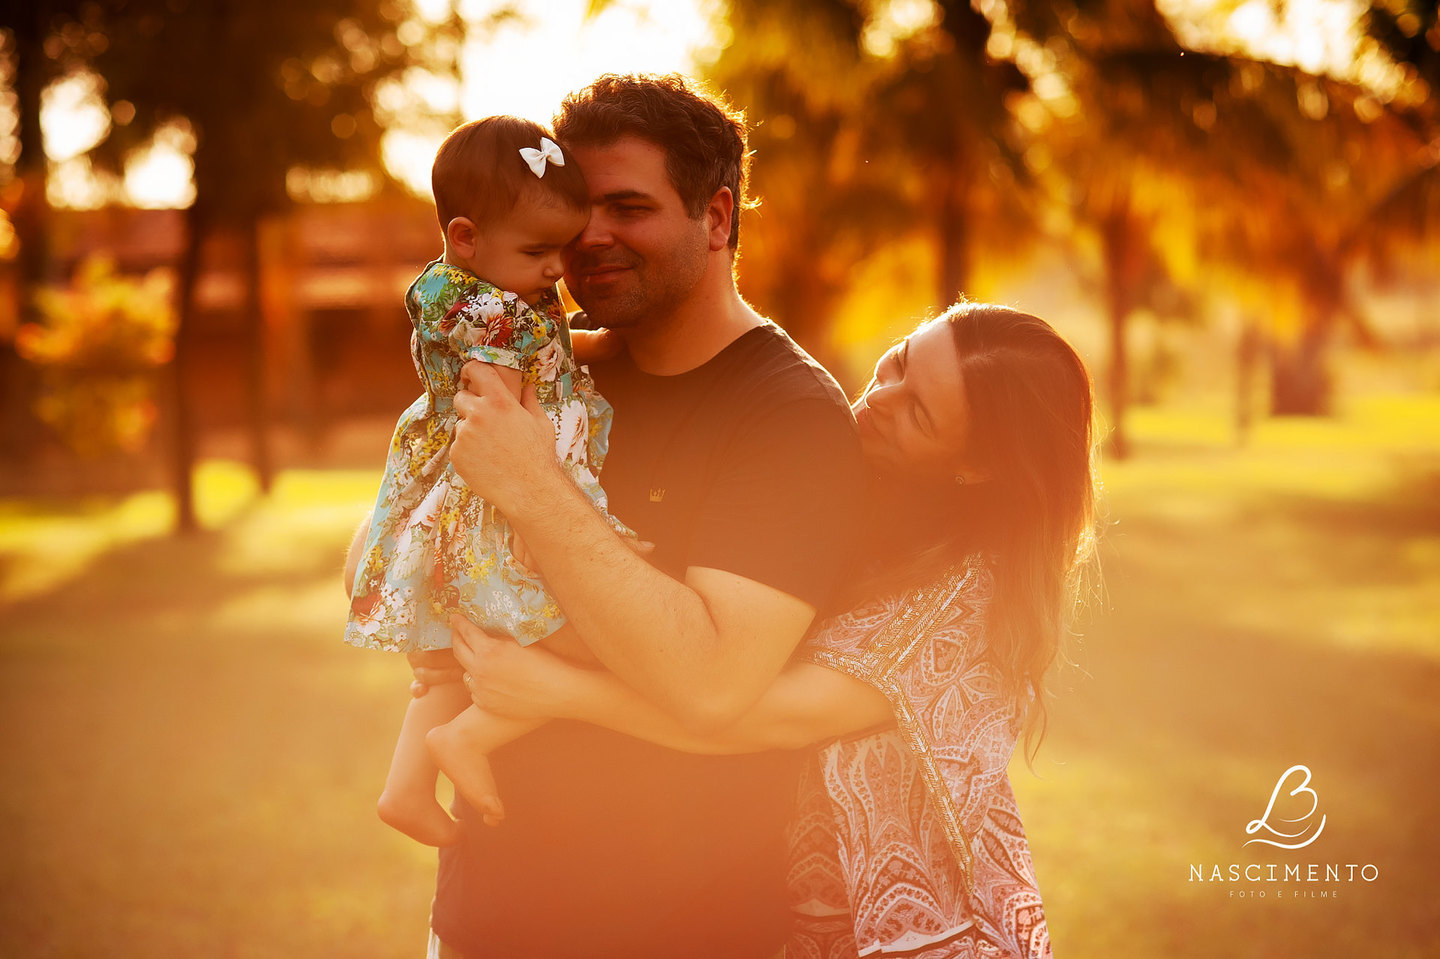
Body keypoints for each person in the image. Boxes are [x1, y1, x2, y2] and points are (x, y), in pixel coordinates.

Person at [441, 303, 1100, 958]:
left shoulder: (965, 601)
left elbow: (763, 716)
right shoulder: (847, 479)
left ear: (976, 467)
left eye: (919, 412)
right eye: (900, 361)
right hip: (796, 908)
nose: (881, 398)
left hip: (908, 933)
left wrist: (557, 690)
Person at [407, 75, 868, 958]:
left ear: (717, 217)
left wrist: (533, 489)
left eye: (629, 207)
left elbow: (711, 681)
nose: (592, 236)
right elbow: (385, 542)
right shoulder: (550, 371)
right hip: (481, 921)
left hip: (681, 929)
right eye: (582, 209)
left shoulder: (790, 415)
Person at [343, 116, 629, 848]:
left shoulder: (478, 289)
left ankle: (406, 786)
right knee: (569, 635)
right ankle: (467, 738)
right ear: (465, 236)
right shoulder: (489, 316)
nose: (557, 268)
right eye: (539, 251)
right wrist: (556, 511)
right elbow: (507, 426)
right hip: (497, 502)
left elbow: (544, 354)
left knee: (454, 651)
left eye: (563, 248)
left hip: (468, 490)